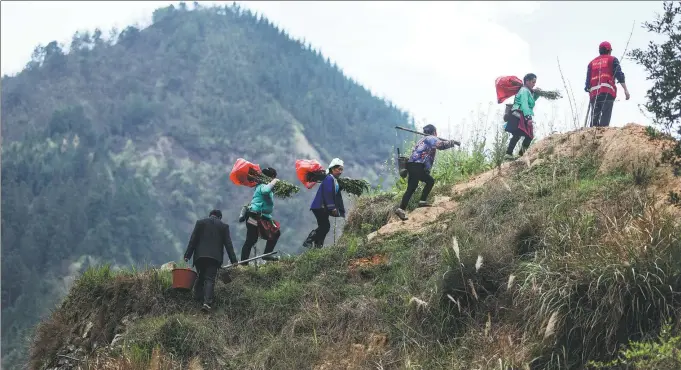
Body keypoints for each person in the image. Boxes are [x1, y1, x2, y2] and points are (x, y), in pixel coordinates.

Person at [394, 124, 458, 221]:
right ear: (434, 132)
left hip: (411, 165)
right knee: (430, 181)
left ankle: (401, 209)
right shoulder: (431, 138)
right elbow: (440, 146)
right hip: (418, 166)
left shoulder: (421, 140)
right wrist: (451, 142)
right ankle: (422, 201)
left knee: (411, 188)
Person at [184, 209, 237, 312]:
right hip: (214, 258)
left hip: (200, 256)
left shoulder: (200, 223)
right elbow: (228, 244)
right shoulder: (223, 226)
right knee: (209, 279)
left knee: (201, 276)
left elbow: (193, 239)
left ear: (210, 215)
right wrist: (233, 260)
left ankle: (197, 298)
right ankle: (207, 303)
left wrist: (187, 255)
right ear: (219, 217)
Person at [240, 167, 281, 265]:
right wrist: (274, 182)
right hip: (253, 216)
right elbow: (266, 190)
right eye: (273, 177)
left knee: (275, 232)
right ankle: (243, 263)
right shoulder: (263, 185)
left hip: (262, 217)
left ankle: (266, 254)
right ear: (270, 177)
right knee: (251, 238)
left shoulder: (261, 186)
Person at [585, 41, 630, 127]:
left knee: (594, 120)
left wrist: (589, 89)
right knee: (605, 118)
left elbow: (587, 85)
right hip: (607, 92)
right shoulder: (612, 60)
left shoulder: (591, 63)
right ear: (609, 50)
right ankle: (602, 135)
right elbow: (619, 75)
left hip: (594, 95)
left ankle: (592, 136)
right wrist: (625, 90)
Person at [303, 158, 346, 248]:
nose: (341, 172)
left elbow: (334, 192)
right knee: (325, 226)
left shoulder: (333, 180)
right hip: (320, 206)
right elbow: (327, 194)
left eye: (342, 169)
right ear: (333, 169)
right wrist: (332, 207)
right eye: (339, 169)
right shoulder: (329, 179)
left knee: (324, 226)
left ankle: (318, 246)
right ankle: (309, 240)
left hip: (321, 207)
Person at [505, 73, 539, 160]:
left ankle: (514, 155)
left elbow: (530, 102)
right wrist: (528, 118)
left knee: (520, 134)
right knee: (526, 135)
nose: (534, 84)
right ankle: (516, 155)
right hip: (520, 114)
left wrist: (536, 95)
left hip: (521, 114)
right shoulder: (524, 90)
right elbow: (524, 104)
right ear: (527, 81)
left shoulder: (527, 91)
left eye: (535, 82)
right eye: (533, 82)